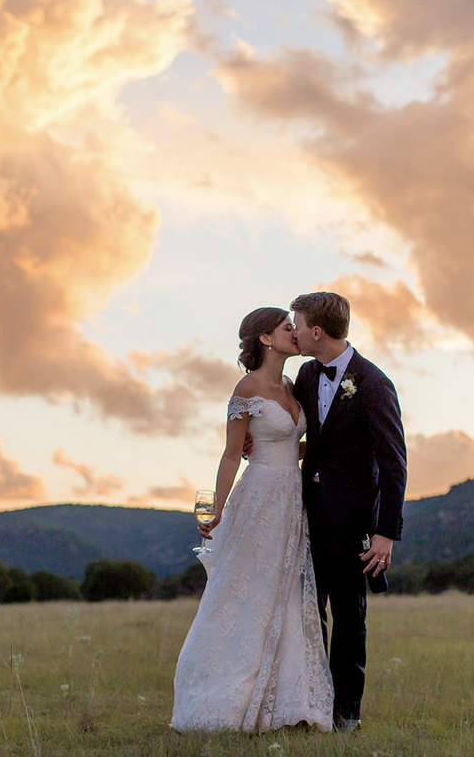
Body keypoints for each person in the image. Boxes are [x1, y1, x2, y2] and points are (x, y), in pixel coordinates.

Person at [171, 307, 334, 733]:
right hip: (260, 496)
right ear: (265, 339)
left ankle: (286, 702)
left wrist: (302, 454)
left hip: (292, 498)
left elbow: (292, 445)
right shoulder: (246, 388)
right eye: (287, 328)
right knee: (249, 593)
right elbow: (231, 453)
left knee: (287, 593)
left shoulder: (292, 384)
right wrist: (219, 510)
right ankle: (227, 697)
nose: (295, 334)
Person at [290, 291, 407, 731]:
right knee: (307, 611)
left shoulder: (374, 384)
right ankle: (313, 703)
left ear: (316, 331)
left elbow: (394, 461)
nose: (294, 331)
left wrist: (385, 532)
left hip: (354, 521)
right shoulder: (305, 373)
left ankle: (346, 715)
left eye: (297, 324)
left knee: (349, 615)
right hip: (307, 515)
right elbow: (319, 442)